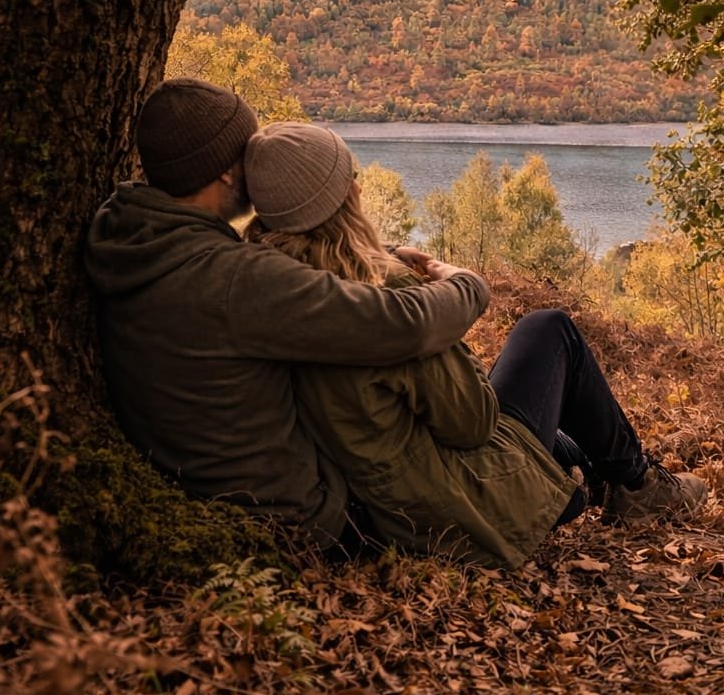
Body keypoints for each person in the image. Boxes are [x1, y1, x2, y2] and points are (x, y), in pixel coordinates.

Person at [243, 121, 709, 569]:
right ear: (342, 197)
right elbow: (473, 421)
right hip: (450, 502)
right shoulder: (390, 299)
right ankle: (640, 485)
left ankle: (612, 472)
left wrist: (383, 251)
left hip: (378, 495)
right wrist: (454, 283)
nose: (360, 187)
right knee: (549, 330)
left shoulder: (269, 283)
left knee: (566, 440)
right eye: (354, 178)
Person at [85, 78, 490, 552]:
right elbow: (404, 322)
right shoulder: (233, 277)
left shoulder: (131, 236)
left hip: (206, 489)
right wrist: (468, 285)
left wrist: (381, 251)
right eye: (247, 154)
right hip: (304, 519)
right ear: (225, 175)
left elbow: (267, 286)